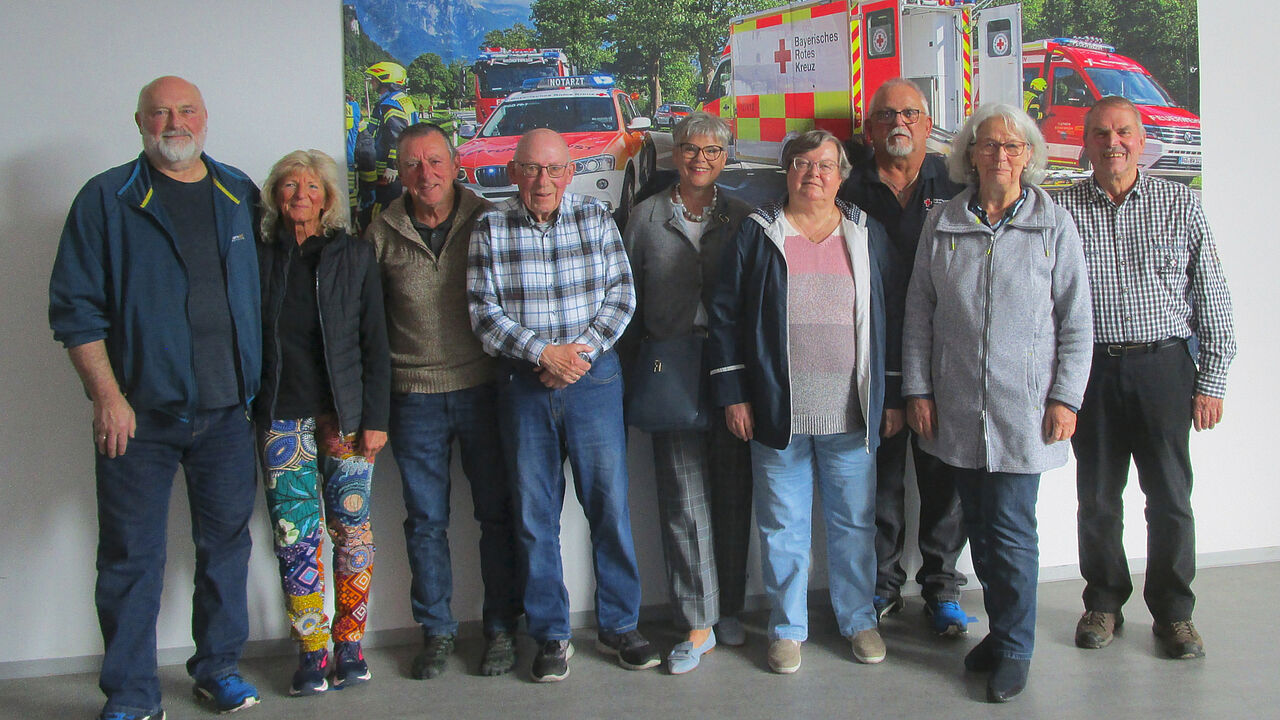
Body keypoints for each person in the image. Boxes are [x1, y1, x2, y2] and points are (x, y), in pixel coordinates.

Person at [48, 76, 262, 720]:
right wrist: (107, 397)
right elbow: (75, 311)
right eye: (160, 112)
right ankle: (132, 694)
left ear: (205, 117)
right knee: (129, 558)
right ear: (139, 121)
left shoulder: (239, 193)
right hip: (137, 417)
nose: (175, 122)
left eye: (186, 110)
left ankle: (218, 670)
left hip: (228, 413)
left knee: (226, 551)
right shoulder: (105, 198)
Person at [901, 103, 1093, 702]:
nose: (1000, 156)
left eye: (1012, 146)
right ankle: (1004, 632)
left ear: (1028, 156)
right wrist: (918, 388)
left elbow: (1076, 322)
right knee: (980, 532)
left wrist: (1065, 397)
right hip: (958, 407)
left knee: (1010, 533)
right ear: (971, 155)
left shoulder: (1052, 224)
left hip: (1023, 412)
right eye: (989, 145)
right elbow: (919, 313)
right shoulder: (944, 222)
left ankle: (1014, 648)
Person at [467, 128, 658, 683]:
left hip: (594, 383)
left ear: (570, 173)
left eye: (554, 169)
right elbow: (483, 313)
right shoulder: (490, 227)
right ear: (513, 173)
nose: (542, 180)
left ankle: (620, 626)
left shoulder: (595, 218)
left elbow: (622, 295)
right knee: (534, 516)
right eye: (530, 169)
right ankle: (551, 634)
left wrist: (577, 355)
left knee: (610, 508)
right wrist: (543, 354)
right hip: (523, 386)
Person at [708, 129, 893, 675]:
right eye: (802, 164)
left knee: (854, 524)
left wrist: (893, 395)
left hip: (851, 413)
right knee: (782, 527)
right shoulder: (759, 233)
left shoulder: (866, 233)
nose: (814, 174)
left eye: (825, 165)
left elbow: (894, 313)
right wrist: (735, 394)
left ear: (841, 175)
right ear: (786, 173)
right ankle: (788, 628)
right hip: (776, 412)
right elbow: (725, 316)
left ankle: (859, 620)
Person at [1056, 96, 1236, 660]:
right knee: (1097, 498)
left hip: (1164, 367)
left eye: (1123, 133)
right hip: (1091, 371)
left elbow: (1212, 294)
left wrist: (1213, 380)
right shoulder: (1061, 211)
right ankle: (1103, 602)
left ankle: (1175, 614)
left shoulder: (1180, 204)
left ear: (1141, 140)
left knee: (1170, 498)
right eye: (1101, 134)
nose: (1113, 143)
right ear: (1085, 143)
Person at [364, 123, 522, 679]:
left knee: (497, 515)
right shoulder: (380, 233)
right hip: (413, 398)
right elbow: (368, 325)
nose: (425, 174)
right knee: (425, 521)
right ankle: (436, 631)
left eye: (434, 161)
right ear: (399, 172)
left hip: (484, 389)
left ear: (455, 165)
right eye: (412, 164)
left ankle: (501, 626)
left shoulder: (490, 219)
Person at [620, 112, 753, 673]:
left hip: (730, 370)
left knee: (732, 493)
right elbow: (625, 300)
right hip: (668, 368)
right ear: (674, 154)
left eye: (712, 151)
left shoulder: (741, 216)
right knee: (682, 497)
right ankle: (698, 623)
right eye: (690, 150)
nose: (700, 159)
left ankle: (729, 609)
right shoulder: (645, 217)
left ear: (726, 157)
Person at [255, 149, 390, 695]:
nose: (301, 195)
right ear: (275, 195)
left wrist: (376, 417)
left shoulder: (353, 254)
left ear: (328, 198)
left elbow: (375, 341)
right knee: (295, 539)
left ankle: (350, 646)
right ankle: (311, 651)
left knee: (352, 535)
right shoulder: (259, 257)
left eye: (312, 186)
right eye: (290, 185)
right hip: (280, 417)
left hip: (347, 416)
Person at [838, 78, 970, 634]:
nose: (900, 123)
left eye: (911, 113)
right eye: (888, 114)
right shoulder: (846, 187)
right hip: (867, 360)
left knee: (945, 480)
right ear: (869, 128)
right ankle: (883, 586)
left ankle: (942, 588)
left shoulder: (957, 183)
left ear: (928, 123)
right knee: (880, 482)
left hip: (946, 360)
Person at [359, 61, 418, 227]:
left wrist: (392, 166)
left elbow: (396, 137)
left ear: (385, 80)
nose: (372, 82)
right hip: (401, 166)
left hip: (387, 169)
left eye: (374, 79)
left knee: (379, 210)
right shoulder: (402, 100)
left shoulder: (389, 105)